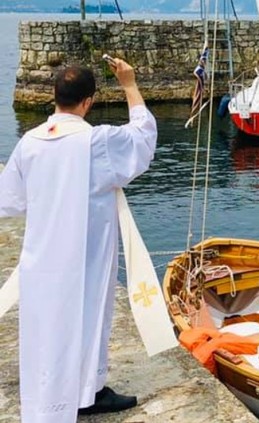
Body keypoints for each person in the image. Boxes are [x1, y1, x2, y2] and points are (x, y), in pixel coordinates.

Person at [0, 58, 157, 422]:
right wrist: (130, 85)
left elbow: (11, 199)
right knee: (89, 318)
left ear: (54, 97)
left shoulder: (29, 143)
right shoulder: (96, 141)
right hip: (86, 251)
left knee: (47, 328)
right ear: (87, 102)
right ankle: (87, 392)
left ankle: (58, 394)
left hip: (43, 254)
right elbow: (143, 139)